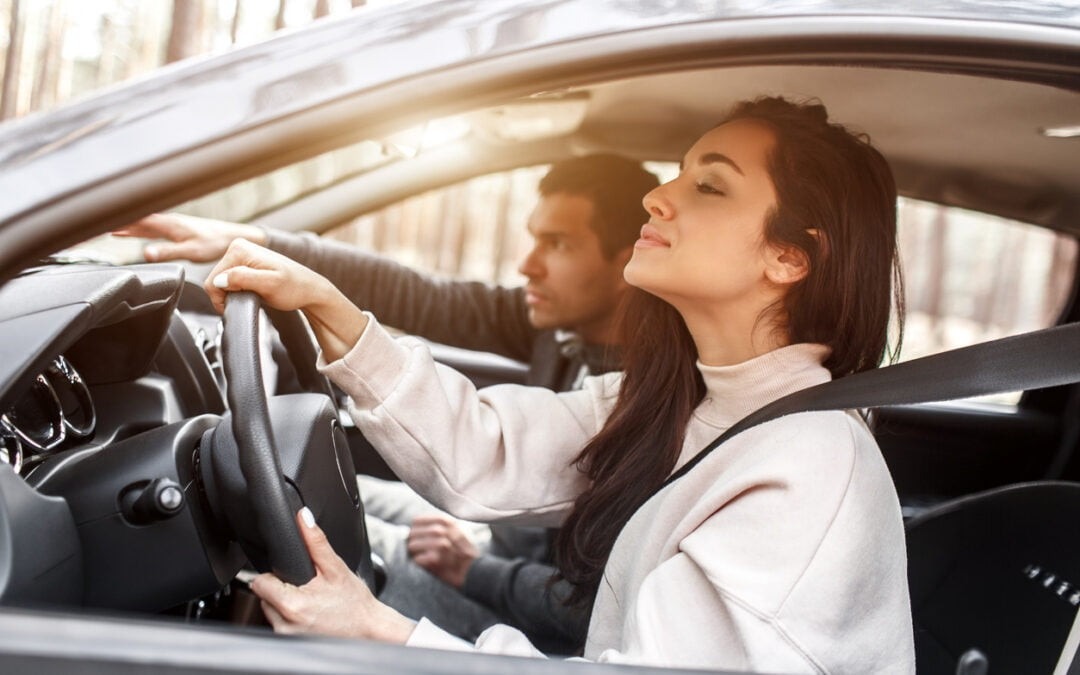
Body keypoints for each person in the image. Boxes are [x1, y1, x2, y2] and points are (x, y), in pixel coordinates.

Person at [201, 96, 915, 672]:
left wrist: (379, 631)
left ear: (789, 255)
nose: (659, 197)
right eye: (678, 171)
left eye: (708, 184)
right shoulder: (687, 398)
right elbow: (483, 451)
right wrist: (329, 307)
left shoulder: (807, 467)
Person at [115, 154, 661, 652]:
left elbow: (588, 616)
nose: (528, 265)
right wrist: (258, 244)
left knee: (290, 534)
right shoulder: (563, 329)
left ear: (626, 261)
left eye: (559, 244)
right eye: (534, 238)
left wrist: (471, 570)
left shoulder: (653, 399)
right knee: (328, 493)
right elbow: (417, 294)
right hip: (493, 543)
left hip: (521, 616)